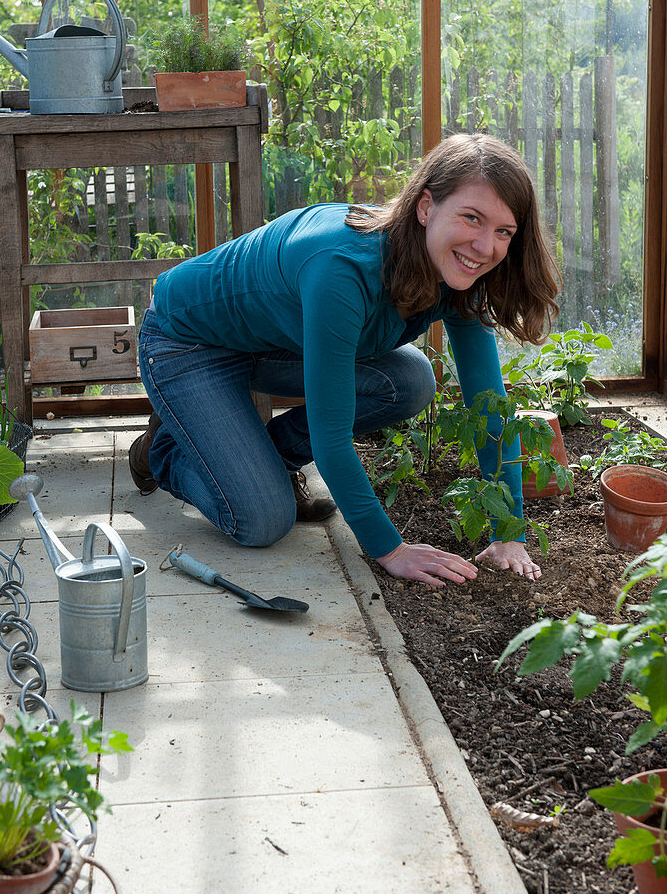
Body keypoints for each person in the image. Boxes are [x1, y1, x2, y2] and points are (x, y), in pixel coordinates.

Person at [129, 132, 560, 586]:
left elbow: (490, 405)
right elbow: (331, 435)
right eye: (472, 218)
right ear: (426, 207)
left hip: (273, 343)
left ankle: (247, 453)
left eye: (504, 231)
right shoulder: (343, 267)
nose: (485, 246)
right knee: (262, 521)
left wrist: (508, 533)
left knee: (411, 380)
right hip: (186, 343)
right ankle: (164, 450)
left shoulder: (458, 274)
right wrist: (391, 550)